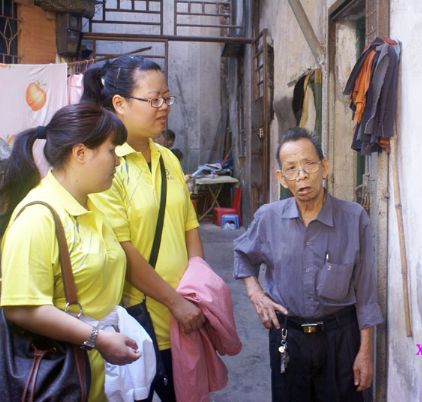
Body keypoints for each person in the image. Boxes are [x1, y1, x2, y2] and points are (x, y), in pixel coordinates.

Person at [81, 56, 205, 401]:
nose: (164, 107)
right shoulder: (108, 165)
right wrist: (175, 302)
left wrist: (199, 292)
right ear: (119, 103)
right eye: (153, 99)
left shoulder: (169, 159)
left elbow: (190, 228)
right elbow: (122, 249)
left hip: (187, 315)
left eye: (167, 98)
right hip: (142, 320)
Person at [0, 103, 140, 402]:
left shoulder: (91, 206)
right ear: (80, 153)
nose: (117, 161)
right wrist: (98, 338)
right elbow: (20, 307)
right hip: (63, 378)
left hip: (100, 374)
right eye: (111, 150)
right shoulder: (37, 218)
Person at [233, 127, 383, 402]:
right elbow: (243, 255)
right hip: (288, 338)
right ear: (281, 178)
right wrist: (256, 294)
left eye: (309, 164)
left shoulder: (354, 218)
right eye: (291, 168)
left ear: (324, 167)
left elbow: (366, 294)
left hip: (340, 340)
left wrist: (365, 352)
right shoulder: (268, 218)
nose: (301, 175)